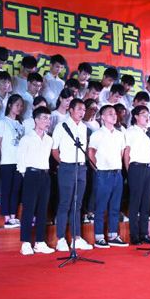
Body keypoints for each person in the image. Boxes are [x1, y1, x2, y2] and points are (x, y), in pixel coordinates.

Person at [52, 98, 93, 251]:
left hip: (81, 168)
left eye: (84, 110)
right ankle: (61, 238)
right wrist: (64, 163)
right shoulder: (61, 126)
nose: (82, 112)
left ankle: (77, 238)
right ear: (71, 110)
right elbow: (54, 150)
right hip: (67, 167)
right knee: (65, 203)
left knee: (78, 204)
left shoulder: (84, 127)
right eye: (79, 109)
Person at [88, 105, 128, 248]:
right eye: (110, 114)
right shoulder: (97, 134)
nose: (114, 116)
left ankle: (113, 235)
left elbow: (122, 153)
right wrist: (98, 169)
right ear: (103, 117)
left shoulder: (119, 134)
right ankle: (99, 236)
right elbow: (91, 153)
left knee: (115, 206)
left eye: (115, 114)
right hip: (103, 174)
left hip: (117, 173)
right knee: (101, 206)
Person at [17, 106, 55, 255]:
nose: (47, 121)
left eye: (49, 118)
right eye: (44, 118)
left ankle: (40, 242)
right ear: (36, 120)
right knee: (29, 209)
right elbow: (21, 162)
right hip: (30, 175)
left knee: (42, 210)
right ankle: (25, 243)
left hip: (45, 175)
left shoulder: (49, 139)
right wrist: (27, 177)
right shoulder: (26, 139)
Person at [124, 105, 150, 245]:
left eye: (148, 115)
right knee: (135, 202)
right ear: (136, 116)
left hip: (148, 168)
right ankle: (134, 235)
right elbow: (127, 152)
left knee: (146, 202)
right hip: (135, 168)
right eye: (143, 114)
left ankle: (144, 233)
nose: (147, 117)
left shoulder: (149, 132)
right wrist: (128, 170)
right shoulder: (130, 131)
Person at [0, 94, 25, 228]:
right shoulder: (2, 122)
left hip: (18, 162)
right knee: (6, 189)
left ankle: (13, 216)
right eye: (17, 105)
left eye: (21, 106)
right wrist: (0, 158)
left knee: (16, 189)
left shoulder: (21, 124)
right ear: (9, 105)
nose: (19, 108)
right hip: (7, 161)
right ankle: (6, 217)